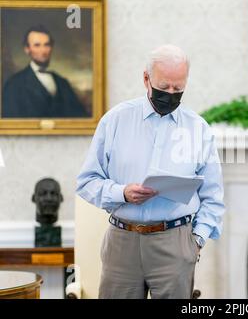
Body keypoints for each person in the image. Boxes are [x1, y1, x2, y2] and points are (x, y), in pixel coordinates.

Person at [76, 45, 225, 299]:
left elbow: (213, 197)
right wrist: (122, 192)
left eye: (178, 89)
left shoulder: (198, 129)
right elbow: (86, 182)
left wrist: (196, 241)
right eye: (164, 87)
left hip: (175, 243)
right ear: (146, 79)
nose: (170, 94)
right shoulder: (115, 121)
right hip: (121, 241)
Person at [2, 25, 89, 118]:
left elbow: (81, 118)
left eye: (46, 45)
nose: (43, 51)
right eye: (37, 45)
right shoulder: (14, 84)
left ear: (51, 47)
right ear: (27, 49)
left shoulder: (62, 83)